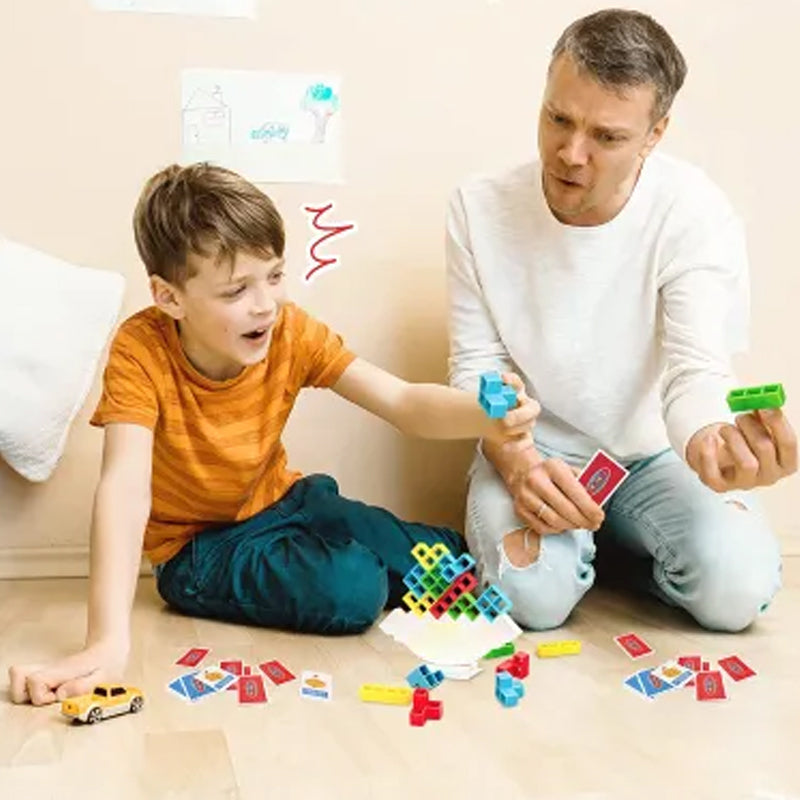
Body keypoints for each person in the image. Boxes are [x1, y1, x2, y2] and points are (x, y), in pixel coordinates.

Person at [9, 162, 539, 706]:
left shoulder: (289, 330)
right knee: (357, 589)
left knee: (444, 557)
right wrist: (107, 640)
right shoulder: (140, 350)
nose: (265, 303)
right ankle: (352, 567)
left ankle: (346, 555)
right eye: (237, 289)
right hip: (196, 550)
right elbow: (124, 486)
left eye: (275, 275)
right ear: (169, 298)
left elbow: (402, 402)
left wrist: (484, 416)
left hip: (285, 502)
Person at [446, 8, 797, 633]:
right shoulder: (478, 207)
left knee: (735, 593)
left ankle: (622, 550)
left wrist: (711, 441)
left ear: (655, 134)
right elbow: (475, 368)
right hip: (537, 447)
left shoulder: (694, 212)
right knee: (532, 601)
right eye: (558, 118)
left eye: (606, 137)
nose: (570, 154)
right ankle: (579, 556)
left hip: (653, 452)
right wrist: (518, 461)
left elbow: (695, 371)